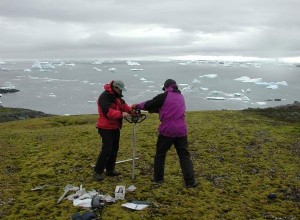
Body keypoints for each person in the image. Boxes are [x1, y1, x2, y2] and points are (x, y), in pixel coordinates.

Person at [132, 79, 197, 188]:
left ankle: (158, 179)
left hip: (167, 130)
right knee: (184, 156)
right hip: (181, 131)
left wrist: (137, 106)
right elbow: (167, 109)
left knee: (160, 155)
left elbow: (149, 104)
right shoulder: (180, 97)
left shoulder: (164, 96)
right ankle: (190, 182)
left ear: (166, 87)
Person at [94, 80, 131, 181]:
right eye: (120, 90)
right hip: (105, 127)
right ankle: (98, 171)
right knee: (106, 150)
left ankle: (110, 170)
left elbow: (124, 106)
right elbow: (108, 112)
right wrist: (121, 114)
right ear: (115, 88)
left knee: (114, 149)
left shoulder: (117, 96)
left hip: (115, 127)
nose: (121, 92)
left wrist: (131, 110)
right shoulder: (105, 97)